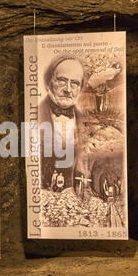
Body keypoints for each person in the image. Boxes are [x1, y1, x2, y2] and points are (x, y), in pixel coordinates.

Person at [37, 55, 84, 190]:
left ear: (80, 89)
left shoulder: (85, 122)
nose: (68, 89)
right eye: (62, 81)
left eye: (74, 83)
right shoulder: (35, 115)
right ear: (48, 82)